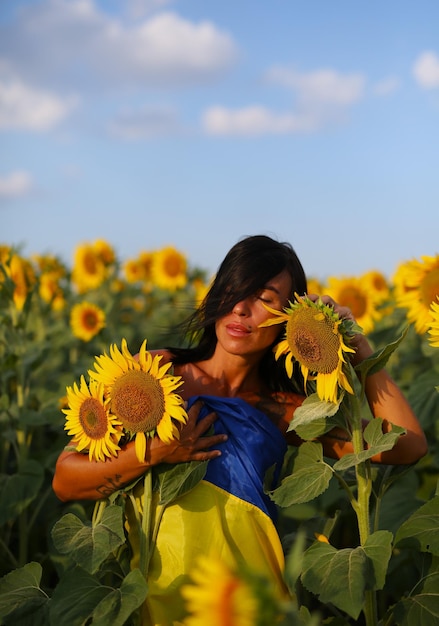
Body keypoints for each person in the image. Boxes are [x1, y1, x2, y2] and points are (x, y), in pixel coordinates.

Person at [52, 234, 427, 625]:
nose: (242, 309)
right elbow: (66, 479)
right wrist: (154, 452)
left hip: (252, 603)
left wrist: (358, 345)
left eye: (265, 299)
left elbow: (408, 444)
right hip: (168, 596)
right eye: (233, 291)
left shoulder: (286, 413)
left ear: (287, 318)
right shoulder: (151, 378)